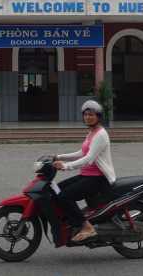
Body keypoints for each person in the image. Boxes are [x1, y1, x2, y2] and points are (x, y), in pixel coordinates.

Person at [53, 100, 116, 242]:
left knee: (64, 196)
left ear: (98, 116)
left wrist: (66, 166)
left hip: (98, 179)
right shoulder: (92, 132)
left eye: (91, 114)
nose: (88, 117)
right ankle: (70, 220)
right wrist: (59, 156)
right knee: (56, 189)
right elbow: (82, 152)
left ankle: (87, 227)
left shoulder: (101, 134)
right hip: (87, 175)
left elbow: (88, 159)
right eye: (86, 114)